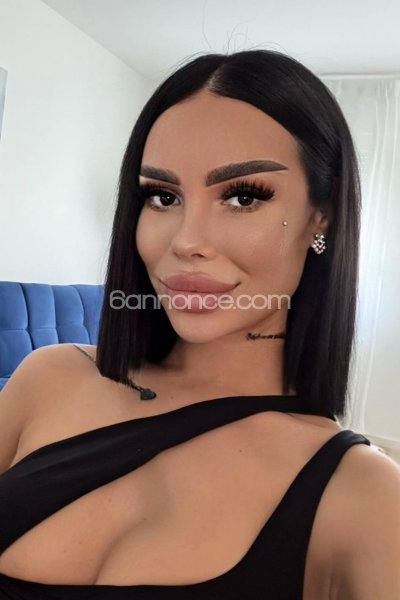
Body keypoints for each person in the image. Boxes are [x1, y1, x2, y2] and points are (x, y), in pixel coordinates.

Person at [0, 49, 399, 600]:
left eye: (243, 196)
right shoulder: (50, 378)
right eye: (162, 196)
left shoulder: (364, 498)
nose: (187, 241)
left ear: (320, 218)